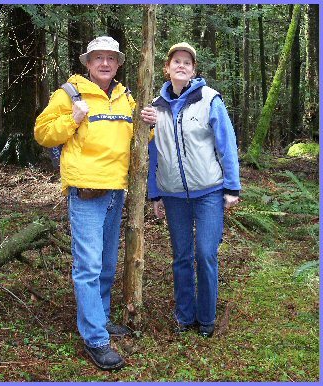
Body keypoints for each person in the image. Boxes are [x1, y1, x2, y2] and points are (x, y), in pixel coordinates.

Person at [34, 36, 135, 370]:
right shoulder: (69, 93)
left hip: (116, 191)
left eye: (110, 58)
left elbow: (135, 137)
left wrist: (151, 123)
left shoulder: (125, 97)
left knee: (106, 263)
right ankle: (95, 339)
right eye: (97, 58)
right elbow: (42, 133)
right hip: (87, 193)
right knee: (89, 266)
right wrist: (72, 119)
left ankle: (101, 318)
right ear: (87, 63)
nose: (104, 63)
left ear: (118, 63)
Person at [141, 42, 241, 338]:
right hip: (173, 196)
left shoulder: (210, 100)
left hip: (209, 192)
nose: (181, 65)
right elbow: (153, 154)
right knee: (181, 256)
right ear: (167, 68)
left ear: (194, 70)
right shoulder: (154, 108)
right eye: (176, 62)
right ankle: (185, 316)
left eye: (187, 62)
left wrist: (232, 187)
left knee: (206, 254)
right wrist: (155, 194)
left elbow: (226, 144)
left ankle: (206, 318)